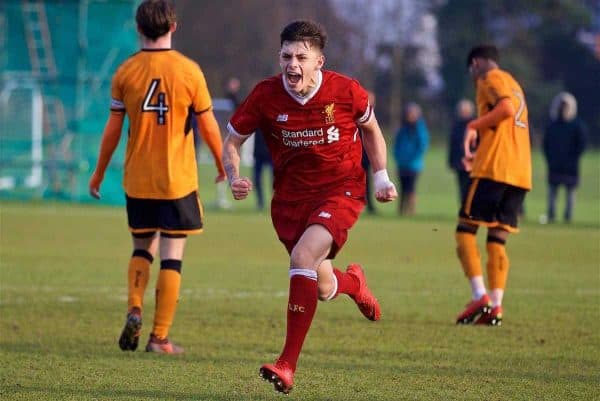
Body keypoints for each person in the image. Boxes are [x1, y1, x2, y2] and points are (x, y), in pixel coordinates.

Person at [222, 20, 397, 394]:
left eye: (302, 57)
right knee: (322, 286)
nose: (292, 64)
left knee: (302, 258)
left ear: (320, 61)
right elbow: (233, 140)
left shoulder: (346, 91)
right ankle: (353, 284)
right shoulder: (265, 95)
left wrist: (381, 176)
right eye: (286, 56)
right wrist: (234, 174)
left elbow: (371, 129)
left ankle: (287, 364)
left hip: (341, 191)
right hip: (290, 201)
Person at [88, 0, 225, 354]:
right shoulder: (189, 71)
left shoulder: (125, 72)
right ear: (173, 26)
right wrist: (224, 165)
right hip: (176, 180)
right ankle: (159, 337)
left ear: (138, 29)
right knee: (172, 255)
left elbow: (112, 131)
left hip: (138, 180)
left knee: (140, 247)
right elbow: (209, 126)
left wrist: (99, 173)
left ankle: (135, 307)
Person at [455, 45, 531, 326]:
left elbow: (506, 109)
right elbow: (505, 128)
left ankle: (479, 295)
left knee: (465, 230)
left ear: (475, 63)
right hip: (520, 172)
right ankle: (496, 306)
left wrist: (473, 125)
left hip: (495, 171)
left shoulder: (490, 79)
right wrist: (479, 151)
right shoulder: (514, 82)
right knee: (497, 240)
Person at [543, 92, 588, 223]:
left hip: (571, 165)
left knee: (570, 192)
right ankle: (551, 215)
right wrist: (550, 159)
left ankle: (568, 217)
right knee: (552, 192)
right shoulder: (552, 125)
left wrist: (573, 157)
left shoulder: (577, 126)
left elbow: (581, 144)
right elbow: (546, 144)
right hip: (554, 164)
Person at [392, 102, 429, 215]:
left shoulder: (420, 128)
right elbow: (396, 144)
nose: (410, 116)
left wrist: (413, 157)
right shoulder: (402, 128)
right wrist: (398, 157)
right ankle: (401, 211)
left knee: (411, 189)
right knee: (402, 189)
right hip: (402, 164)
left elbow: (422, 145)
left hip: (414, 164)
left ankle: (412, 211)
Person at [448, 99, 475, 204]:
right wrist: (451, 161)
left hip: (473, 162)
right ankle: (464, 209)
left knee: (472, 189)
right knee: (462, 189)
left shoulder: (475, 125)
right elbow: (453, 145)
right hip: (459, 163)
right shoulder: (456, 126)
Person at [361, 90, 377, 214]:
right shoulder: (355, 117)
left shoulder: (372, 117)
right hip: (355, 156)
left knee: (368, 183)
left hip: (367, 157)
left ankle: (370, 206)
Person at [252, 127, 273, 210]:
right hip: (258, 154)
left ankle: (275, 203)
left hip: (272, 153)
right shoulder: (258, 117)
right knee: (257, 180)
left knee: (276, 182)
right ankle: (260, 203)